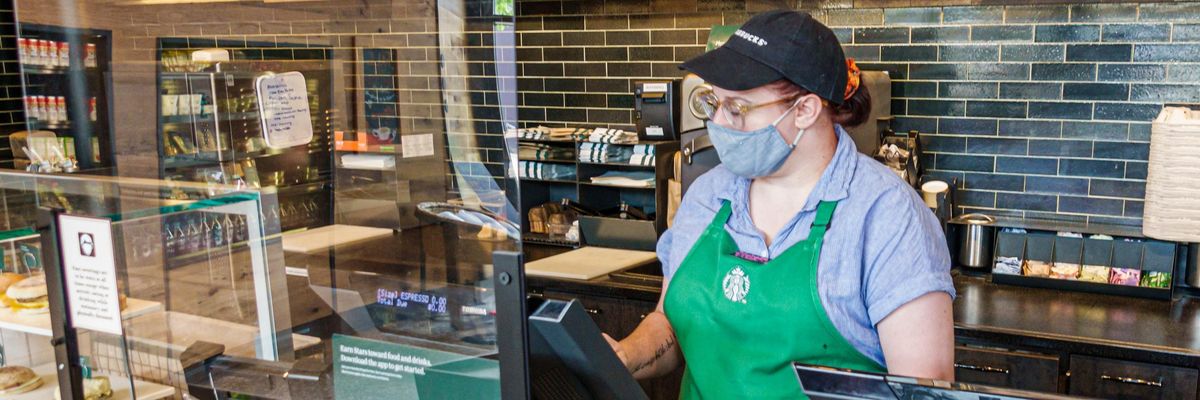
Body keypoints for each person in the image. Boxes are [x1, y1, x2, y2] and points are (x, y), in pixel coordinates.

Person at [603, 10, 956, 399]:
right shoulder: (707, 195)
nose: (718, 121)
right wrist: (624, 354)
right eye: (712, 102)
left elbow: (926, 393)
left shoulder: (887, 216)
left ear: (804, 110)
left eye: (737, 108)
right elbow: (672, 324)